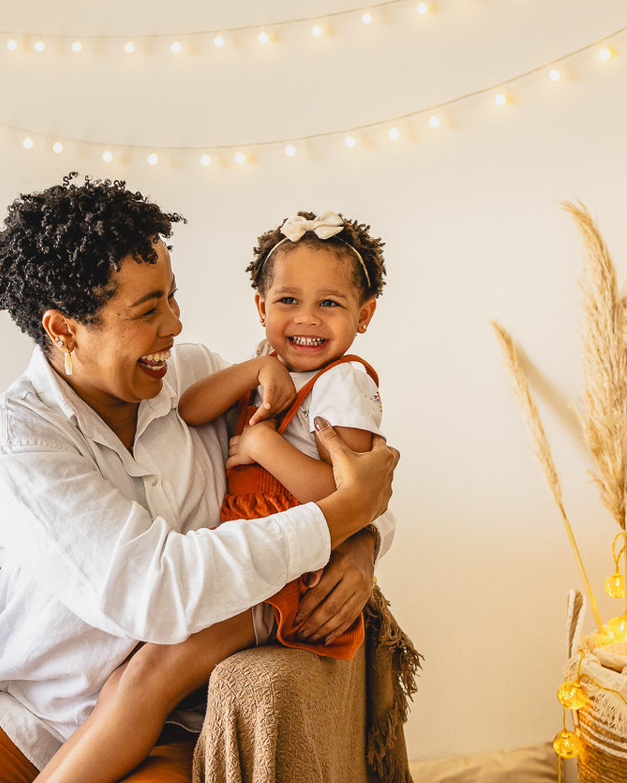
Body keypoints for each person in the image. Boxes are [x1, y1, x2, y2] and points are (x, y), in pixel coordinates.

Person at [0, 176, 398, 783]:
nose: (175, 325)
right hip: (38, 716)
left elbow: (344, 473)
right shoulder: (17, 439)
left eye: (173, 297)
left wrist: (364, 541)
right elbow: (156, 593)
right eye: (148, 311)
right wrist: (346, 517)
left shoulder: (197, 374)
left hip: (177, 725)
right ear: (64, 328)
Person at [34, 209, 392, 783]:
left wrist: (264, 444)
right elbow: (192, 409)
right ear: (260, 306)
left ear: (364, 314)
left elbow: (346, 496)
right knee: (137, 680)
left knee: (149, 675)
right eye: (288, 301)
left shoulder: (347, 384)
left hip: (288, 576)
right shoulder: (24, 434)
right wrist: (256, 367)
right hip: (255, 557)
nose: (306, 319)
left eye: (329, 303)